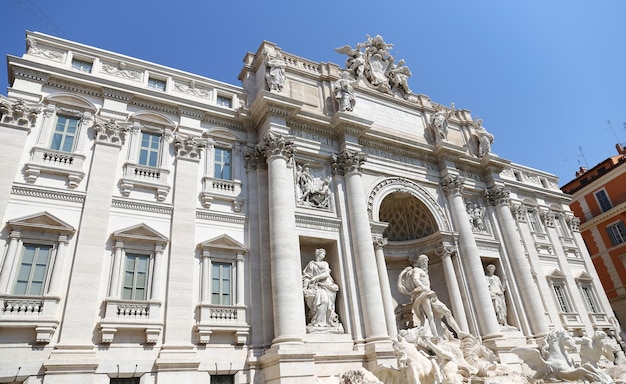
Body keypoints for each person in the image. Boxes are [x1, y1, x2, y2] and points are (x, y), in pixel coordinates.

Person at [398, 254, 464, 338]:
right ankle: (435, 336)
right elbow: (415, 279)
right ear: (420, 262)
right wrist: (423, 288)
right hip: (424, 294)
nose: (425, 263)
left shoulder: (424, 271)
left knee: (447, 312)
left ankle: (459, 332)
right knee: (430, 316)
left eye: (426, 261)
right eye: (424, 261)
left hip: (431, 295)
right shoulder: (417, 270)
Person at [302, 248, 340, 327]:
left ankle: (326, 322)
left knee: (326, 301)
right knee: (322, 302)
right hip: (316, 287)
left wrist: (315, 278)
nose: (324, 256)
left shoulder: (325, 264)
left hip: (326, 285)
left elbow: (326, 274)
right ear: (318, 254)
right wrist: (305, 287)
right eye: (323, 254)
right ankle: (317, 322)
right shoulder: (311, 264)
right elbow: (307, 276)